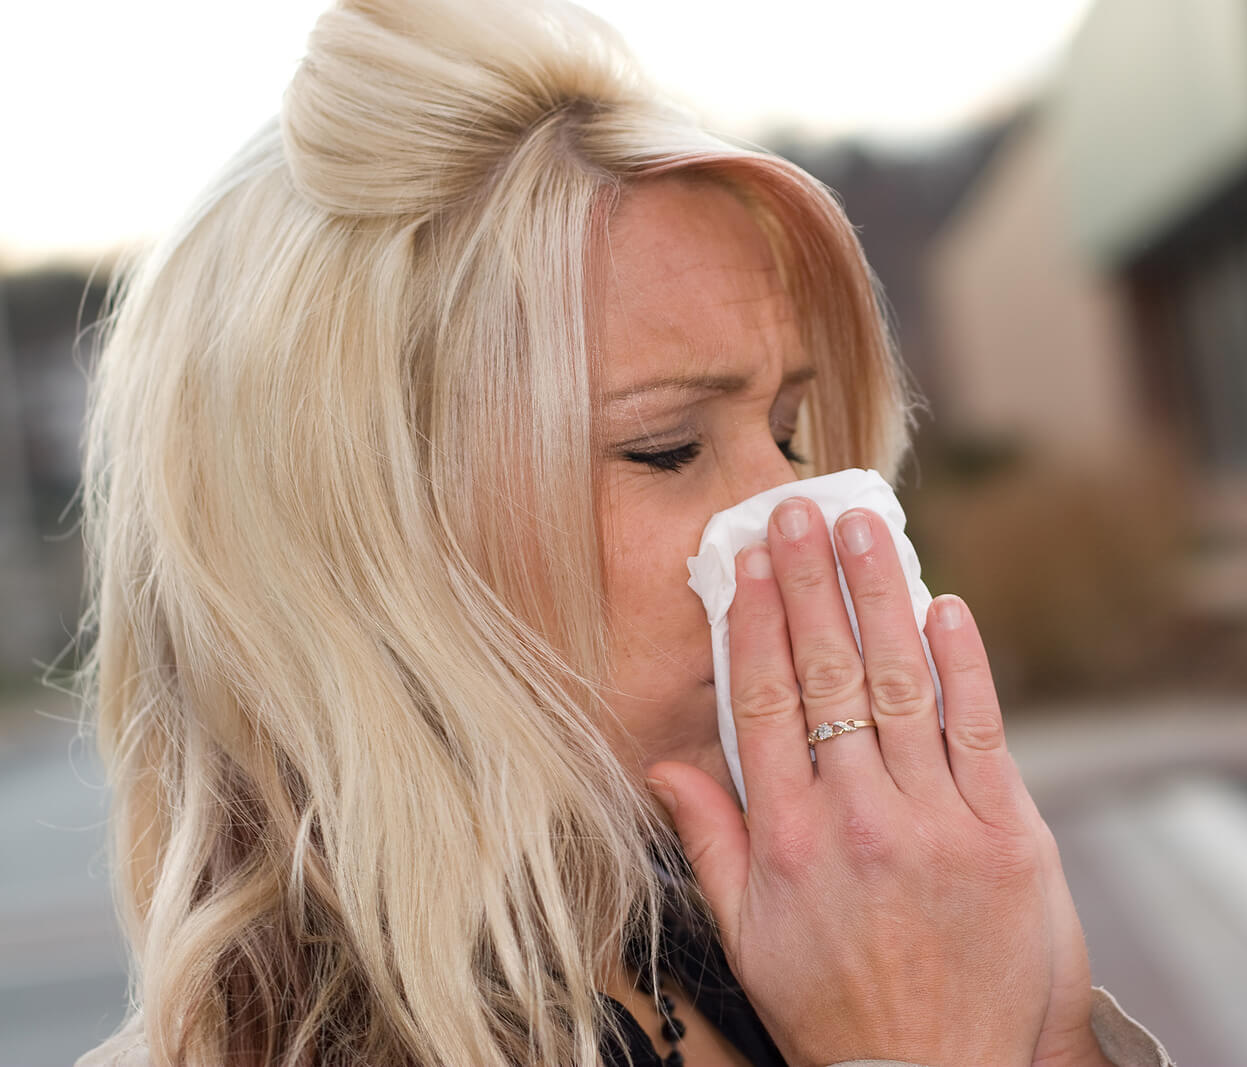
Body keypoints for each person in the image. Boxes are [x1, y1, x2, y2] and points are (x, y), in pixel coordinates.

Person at [76, 1, 1171, 1064]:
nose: (796, 513)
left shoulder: (757, 927)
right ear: (357, 543)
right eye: (663, 446)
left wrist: (1042, 1027)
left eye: (787, 429)